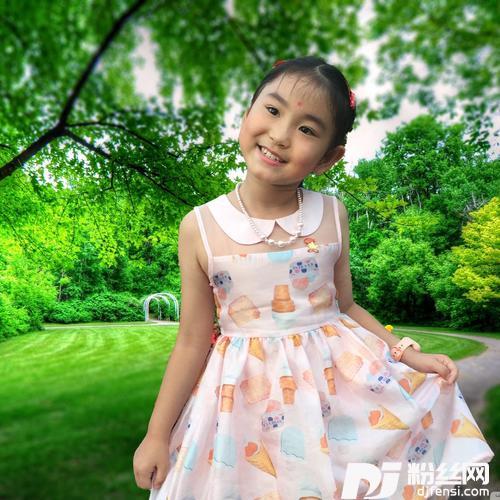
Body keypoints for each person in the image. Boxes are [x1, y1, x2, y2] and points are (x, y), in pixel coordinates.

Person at [133, 56, 494, 499]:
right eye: (272, 110)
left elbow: (347, 306)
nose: (280, 135)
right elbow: (191, 340)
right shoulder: (200, 227)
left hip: (336, 394)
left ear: (328, 157)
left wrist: (405, 354)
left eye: (307, 129)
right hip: (243, 404)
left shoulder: (332, 214)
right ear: (246, 114)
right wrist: (156, 434)